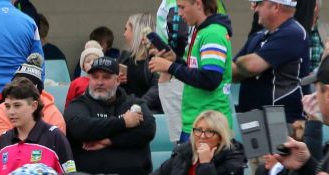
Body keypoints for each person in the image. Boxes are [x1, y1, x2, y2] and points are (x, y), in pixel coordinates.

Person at [149, 0, 233, 140]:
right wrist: (175, 60)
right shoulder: (204, 31)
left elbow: (210, 79)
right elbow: (197, 72)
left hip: (209, 127)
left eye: (182, 7)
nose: (179, 13)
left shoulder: (212, 33)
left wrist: (170, 67)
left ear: (199, 4)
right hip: (198, 123)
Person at [64, 56, 155, 175]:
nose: (99, 82)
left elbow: (148, 129)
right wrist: (123, 122)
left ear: (117, 80)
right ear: (89, 79)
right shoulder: (79, 104)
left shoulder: (133, 103)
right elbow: (79, 127)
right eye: (95, 77)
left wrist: (108, 141)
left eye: (106, 77)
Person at [233, 0, 307, 122]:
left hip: (280, 119)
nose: (256, 9)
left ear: (276, 7)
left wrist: (243, 64)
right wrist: (246, 66)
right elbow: (231, 73)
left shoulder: (294, 33)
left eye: (260, 4)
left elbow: (251, 66)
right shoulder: (258, 36)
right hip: (251, 118)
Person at [0, 79, 74, 175]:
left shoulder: (55, 137)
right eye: (7, 106)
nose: (11, 112)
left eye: (17, 105)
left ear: (34, 106)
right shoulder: (3, 140)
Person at [121, 13, 160, 107]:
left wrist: (138, 106)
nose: (124, 34)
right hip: (124, 114)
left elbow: (156, 89)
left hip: (150, 113)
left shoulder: (156, 58)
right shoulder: (124, 57)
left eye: (126, 29)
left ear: (136, 31)